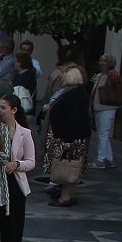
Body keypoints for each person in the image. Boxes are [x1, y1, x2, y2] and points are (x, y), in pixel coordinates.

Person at [0, 94, 36, 242]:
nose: (0, 111)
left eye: (3, 107)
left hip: (14, 186)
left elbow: (31, 161)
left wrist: (16, 164)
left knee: (12, 232)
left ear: (14, 110)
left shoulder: (24, 133)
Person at [44, 68, 91, 208]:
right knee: (72, 167)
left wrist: (68, 139)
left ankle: (65, 197)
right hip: (74, 137)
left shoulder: (72, 96)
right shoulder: (77, 93)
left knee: (67, 167)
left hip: (69, 138)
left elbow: (72, 118)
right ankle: (70, 195)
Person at [89, 55, 122, 168]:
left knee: (103, 134)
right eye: (100, 60)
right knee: (103, 134)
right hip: (98, 107)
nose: (101, 63)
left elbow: (116, 80)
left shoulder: (112, 75)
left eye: (104, 61)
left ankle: (101, 159)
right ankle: (108, 158)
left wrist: (111, 73)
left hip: (107, 107)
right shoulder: (99, 76)